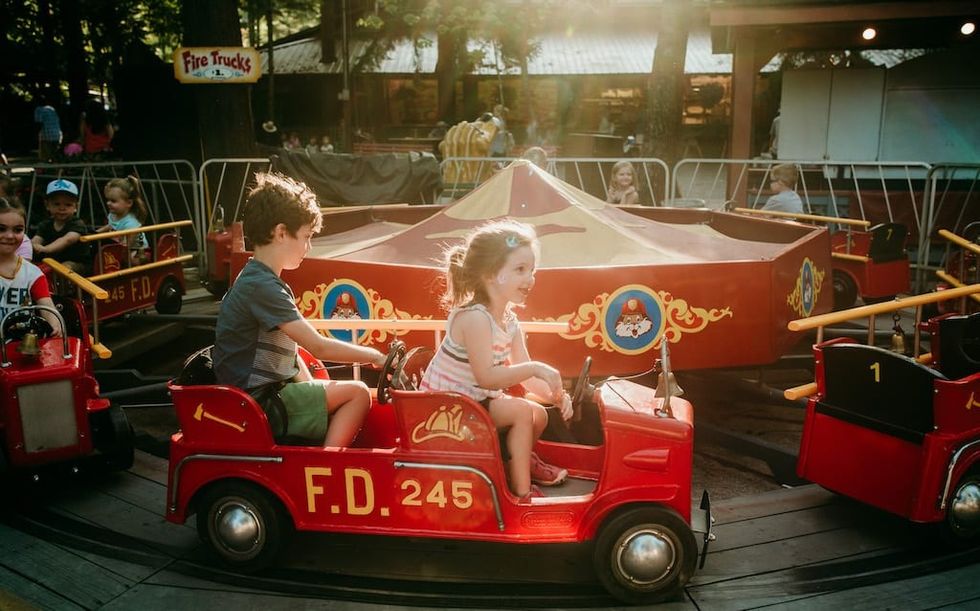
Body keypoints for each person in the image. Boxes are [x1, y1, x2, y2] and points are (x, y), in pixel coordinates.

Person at [213, 172, 386, 448]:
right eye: (306, 237)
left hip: (260, 398)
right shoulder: (263, 287)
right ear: (281, 232)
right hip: (258, 405)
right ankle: (329, 465)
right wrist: (375, 355)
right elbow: (320, 347)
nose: (309, 246)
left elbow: (293, 357)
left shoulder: (257, 280)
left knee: (339, 392)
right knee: (359, 394)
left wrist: (317, 392)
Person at [419, 220, 572, 501]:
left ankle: (517, 463)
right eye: (520, 270)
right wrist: (536, 367)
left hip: (472, 403)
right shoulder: (475, 318)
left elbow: (525, 377)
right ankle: (521, 492)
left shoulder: (509, 321)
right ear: (490, 275)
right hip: (443, 410)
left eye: (532, 270)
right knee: (522, 413)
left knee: (538, 413)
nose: (530, 279)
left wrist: (556, 394)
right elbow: (487, 377)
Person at [0, 197, 62, 336]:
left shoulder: (32, 273)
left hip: (21, 345)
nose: (9, 236)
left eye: (18, 230)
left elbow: (47, 306)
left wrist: (54, 323)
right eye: (1, 229)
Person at [32, 179, 91, 274]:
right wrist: (33, 246)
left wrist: (45, 249)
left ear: (75, 207)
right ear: (47, 205)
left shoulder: (77, 224)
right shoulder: (45, 224)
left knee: (64, 267)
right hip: (51, 261)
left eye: (68, 204)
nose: (62, 208)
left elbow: (67, 240)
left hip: (77, 263)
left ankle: (64, 289)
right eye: (57, 204)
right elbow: (37, 239)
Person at [97, 176, 150, 264]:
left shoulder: (131, 223)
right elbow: (111, 225)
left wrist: (111, 240)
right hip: (120, 243)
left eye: (113, 201)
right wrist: (97, 233)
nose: (108, 203)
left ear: (129, 203)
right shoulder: (114, 214)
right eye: (108, 200)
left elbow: (126, 244)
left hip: (138, 249)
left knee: (131, 259)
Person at [34, 95, 62, 162]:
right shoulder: (51, 109)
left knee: (45, 155)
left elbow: (39, 123)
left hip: (46, 135)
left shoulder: (39, 109)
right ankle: (57, 169)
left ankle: (46, 169)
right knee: (55, 154)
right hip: (57, 134)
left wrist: (36, 135)